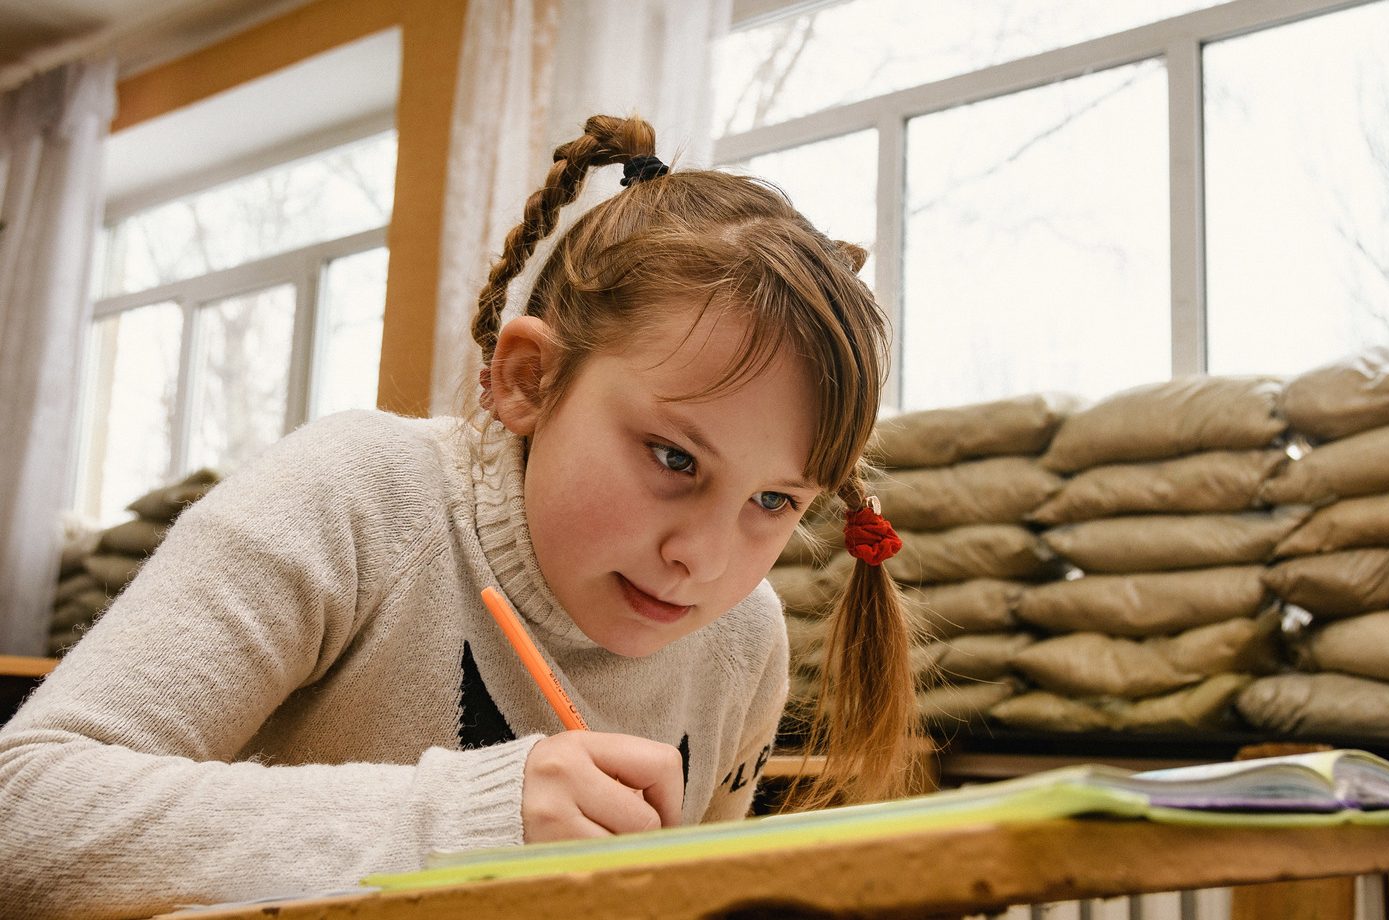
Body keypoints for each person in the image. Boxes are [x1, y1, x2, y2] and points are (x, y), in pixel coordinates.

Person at [0, 114, 920, 919]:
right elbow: (21, 810)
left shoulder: (742, 639)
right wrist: (466, 821)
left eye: (773, 502)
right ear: (529, 378)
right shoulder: (357, 496)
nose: (704, 559)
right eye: (674, 458)